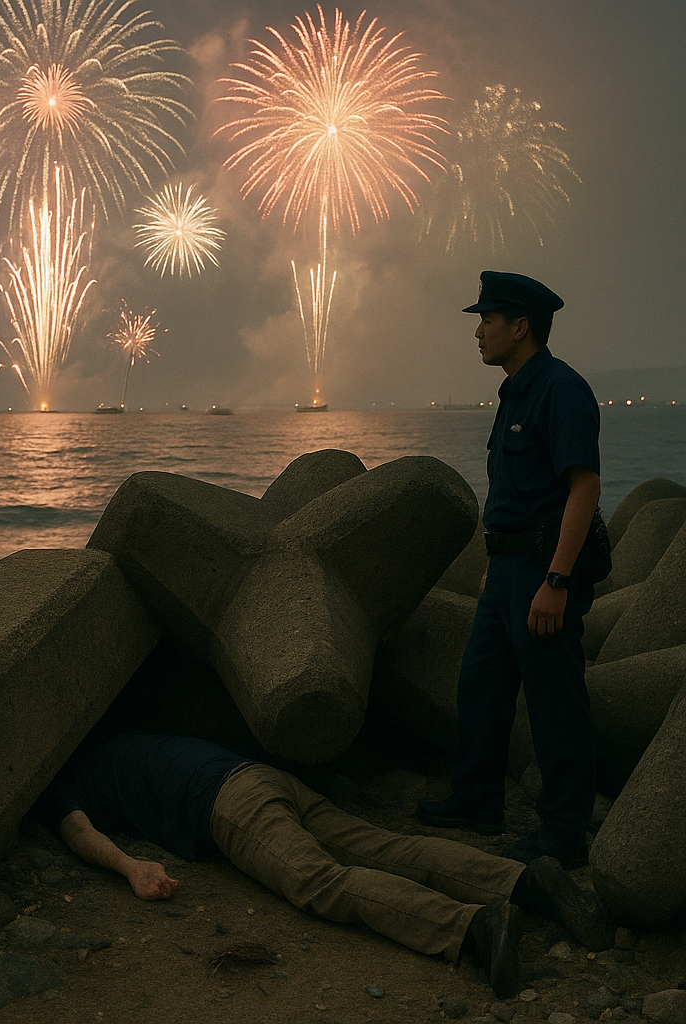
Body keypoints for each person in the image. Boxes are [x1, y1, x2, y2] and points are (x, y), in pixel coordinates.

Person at [37, 733, 612, 999]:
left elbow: (78, 831)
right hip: (260, 775)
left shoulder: (62, 776)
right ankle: (525, 881)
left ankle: (472, 927)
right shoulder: (123, 730)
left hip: (225, 806)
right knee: (384, 846)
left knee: (319, 882)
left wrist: (131, 866)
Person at [417, 272, 609, 869]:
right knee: (481, 684)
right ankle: (477, 800)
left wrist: (556, 580)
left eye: (488, 320)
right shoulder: (514, 393)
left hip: (543, 567)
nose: (478, 332)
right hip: (506, 567)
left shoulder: (560, 390)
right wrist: (494, 564)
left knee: (554, 700)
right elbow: (513, 490)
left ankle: (564, 832)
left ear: (520, 326)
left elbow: (584, 488)